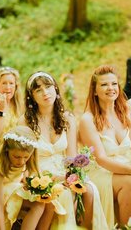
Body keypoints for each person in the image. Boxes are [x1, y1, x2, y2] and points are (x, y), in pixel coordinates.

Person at [19, 71, 108, 230]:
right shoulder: (26, 121)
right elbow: (24, 159)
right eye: (38, 90)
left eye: (48, 87)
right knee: (65, 194)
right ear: (31, 96)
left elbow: (72, 155)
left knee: (90, 190)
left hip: (64, 169)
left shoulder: (67, 118)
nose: (45, 93)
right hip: (40, 174)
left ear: (56, 89)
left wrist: (72, 176)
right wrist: (55, 178)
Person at [79, 65, 131, 227]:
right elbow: (102, 159)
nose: (110, 88)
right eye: (104, 84)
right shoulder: (87, 120)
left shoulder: (126, 112)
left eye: (113, 84)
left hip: (127, 164)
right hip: (101, 171)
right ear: (95, 91)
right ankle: (122, 227)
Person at [0, 125, 46, 230]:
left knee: (40, 203)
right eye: (16, 157)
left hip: (14, 190)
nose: (21, 162)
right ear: (7, 149)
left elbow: (26, 175)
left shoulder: (27, 161)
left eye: (26, 157)